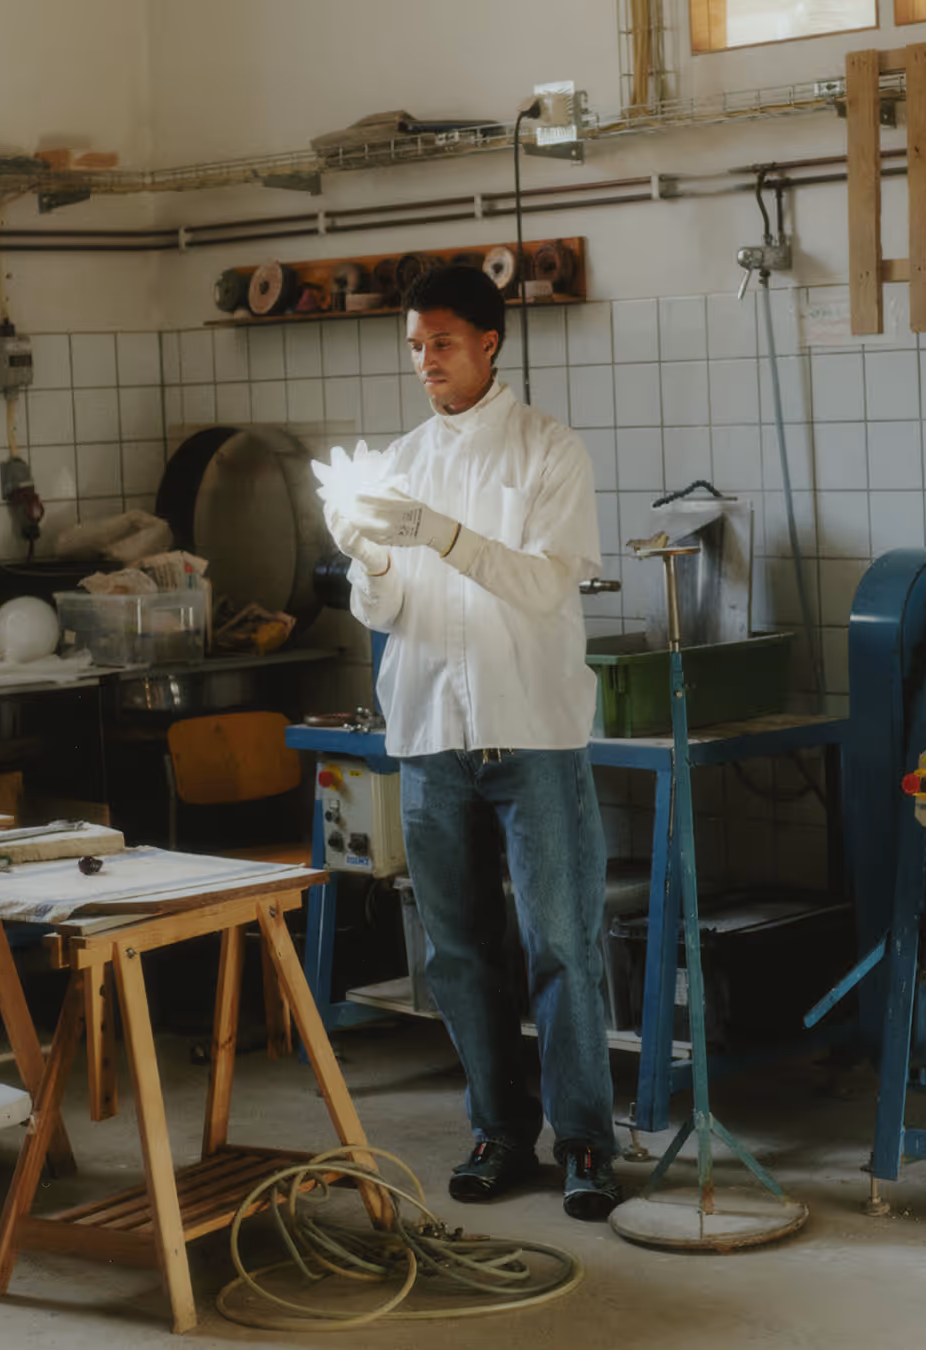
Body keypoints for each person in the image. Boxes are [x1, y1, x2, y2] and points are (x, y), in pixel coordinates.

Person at [324, 264, 621, 1220]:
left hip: (531, 733)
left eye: (441, 344)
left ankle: (583, 1144)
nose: (425, 364)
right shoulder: (399, 460)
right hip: (428, 737)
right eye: (414, 347)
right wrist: (369, 557)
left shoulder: (549, 450)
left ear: (490, 341)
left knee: (563, 944)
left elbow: (542, 586)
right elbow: (388, 607)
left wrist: (438, 532)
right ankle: (500, 1131)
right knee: (456, 951)